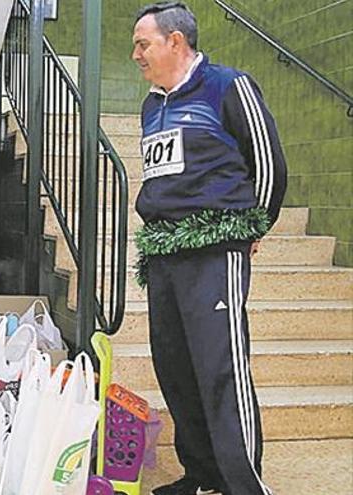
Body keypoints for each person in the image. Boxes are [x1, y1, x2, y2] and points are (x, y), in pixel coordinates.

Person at [130, 2, 287, 495]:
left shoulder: (227, 86)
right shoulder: (152, 104)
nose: (136, 54)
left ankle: (241, 483)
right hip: (164, 252)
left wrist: (250, 228)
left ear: (176, 41)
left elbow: (268, 163)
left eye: (143, 43)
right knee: (174, 367)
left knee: (221, 367)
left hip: (214, 248)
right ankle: (202, 475)